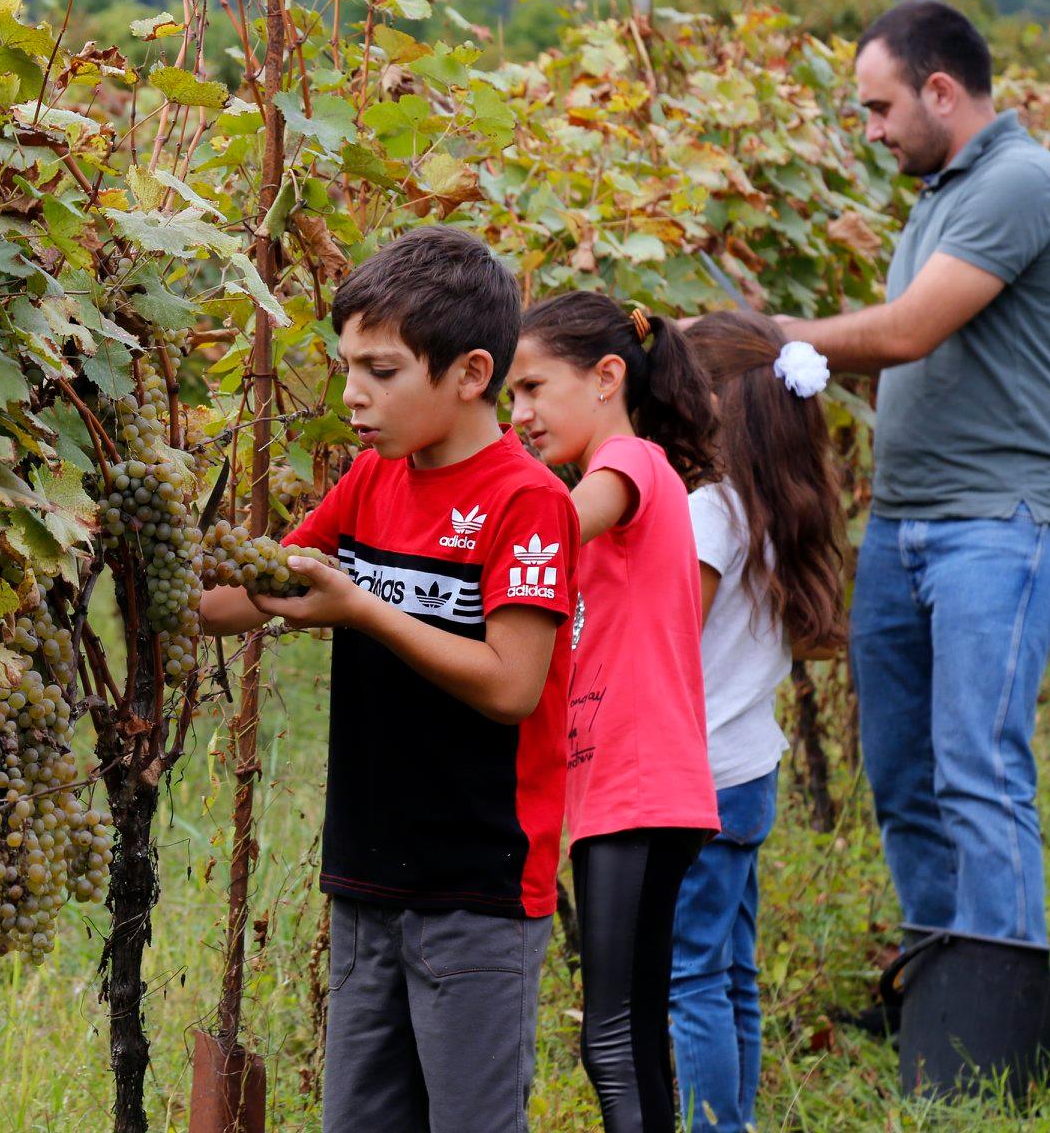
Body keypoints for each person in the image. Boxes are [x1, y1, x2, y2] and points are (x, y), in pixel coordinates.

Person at [202, 225, 580, 1133]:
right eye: (347, 369)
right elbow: (242, 597)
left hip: (477, 889)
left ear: (471, 373)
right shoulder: (372, 480)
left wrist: (364, 609)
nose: (353, 395)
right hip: (367, 877)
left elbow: (513, 685)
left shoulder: (528, 500)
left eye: (381, 371)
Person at [779, 0, 1050, 946]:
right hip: (905, 523)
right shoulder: (940, 196)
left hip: (998, 521)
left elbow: (908, 332)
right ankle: (940, 982)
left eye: (881, 108)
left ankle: (1003, 1006)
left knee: (977, 772)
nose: (873, 132)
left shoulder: (1021, 181)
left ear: (942, 91)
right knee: (904, 776)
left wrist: (777, 336)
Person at [507, 292, 721, 1133]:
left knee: (612, 1043)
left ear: (606, 378)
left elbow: (549, 529)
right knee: (629, 1040)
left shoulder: (629, 463)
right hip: (629, 791)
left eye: (532, 388)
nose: (519, 415)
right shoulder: (631, 472)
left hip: (637, 787)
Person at [669, 312, 847, 1131]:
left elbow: (671, 640)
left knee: (690, 979)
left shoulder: (709, 515)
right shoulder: (773, 507)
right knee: (729, 971)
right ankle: (731, 1122)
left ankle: (716, 1127)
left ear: (710, 403)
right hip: (747, 773)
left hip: (697, 777)